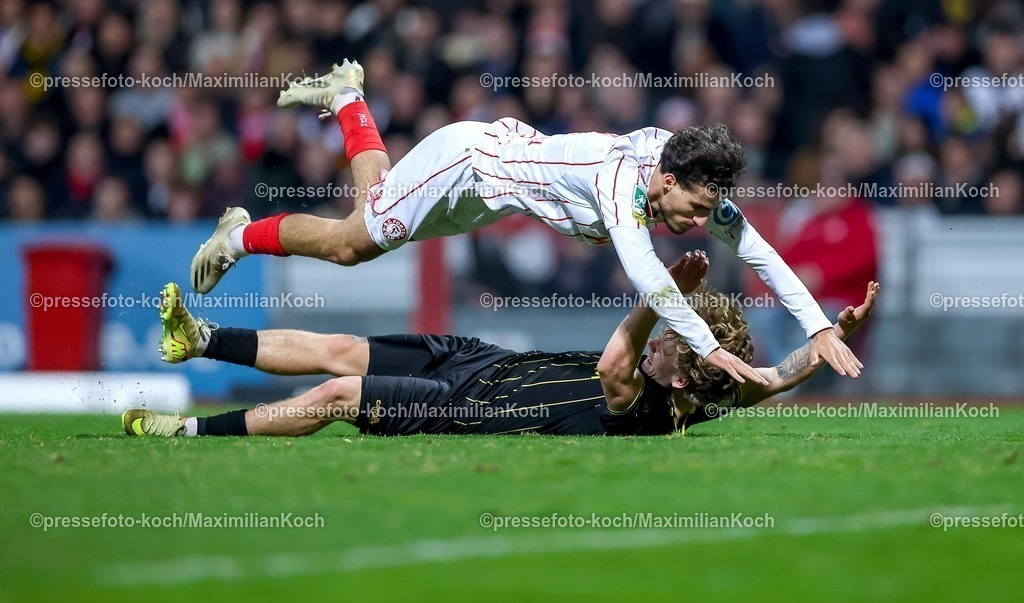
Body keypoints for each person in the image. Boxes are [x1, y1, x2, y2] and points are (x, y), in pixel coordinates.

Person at [189, 60, 863, 387]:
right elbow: (652, 282)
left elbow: (755, 246)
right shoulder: (623, 186)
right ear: (665, 181)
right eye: (690, 207)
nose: (696, 221)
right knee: (348, 244)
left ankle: (346, 97)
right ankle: (241, 233)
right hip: (467, 164)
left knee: (367, 225)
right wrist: (711, 350)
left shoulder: (688, 176)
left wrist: (819, 325)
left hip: (493, 194)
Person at [122, 252, 879, 439]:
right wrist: (827, 338)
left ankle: (183, 432)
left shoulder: (641, 399)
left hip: (475, 403)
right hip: (481, 357)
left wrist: (662, 296)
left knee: (336, 395)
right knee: (343, 348)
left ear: (678, 382)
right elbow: (768, 378)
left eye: (674, 351)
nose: (664, 352)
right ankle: (202, 337)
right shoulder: (708, 394)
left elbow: (621, 351)